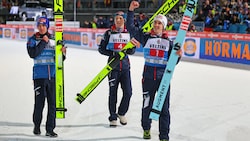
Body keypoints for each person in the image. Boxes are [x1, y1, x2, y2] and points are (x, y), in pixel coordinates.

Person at [127, 1, 182, 141]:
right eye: (155, 23)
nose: (157, 25)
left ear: (163, 27)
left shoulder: (170, 43)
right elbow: (131, 28)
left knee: (164, 108)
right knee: (147, 105)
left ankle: (164, 136)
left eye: (159, 23)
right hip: (148, 78)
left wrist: (178, 56)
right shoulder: (146, 38)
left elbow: (172, 63)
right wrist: (131, 10)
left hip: (163, 79)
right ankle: (146, 129)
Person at [26, 17, 67, 137]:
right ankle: (37, 126)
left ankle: (50, 129)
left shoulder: (55, 39)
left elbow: (60, 60)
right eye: (39, 25)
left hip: (53, 76)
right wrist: (44, 42)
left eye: (44, 25)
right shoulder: (33, 39)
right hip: (39, 76)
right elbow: (32, 54)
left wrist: (63, 53)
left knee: (52, 104)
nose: (41, 27)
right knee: (39, 103)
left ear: (47, 26)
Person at [98, 11, 137, 127]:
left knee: (128, 92)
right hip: (112, 67)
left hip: (125, 67)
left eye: (120, 18)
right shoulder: (109, 33)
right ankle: (113, 117)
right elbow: (101, 49)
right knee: (113, 93)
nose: (118, 20)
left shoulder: (129, 33)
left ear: (124, 20)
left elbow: (133, 50)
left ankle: (121, 112)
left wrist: (129, 49)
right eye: (116, 19)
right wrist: (113, 53)